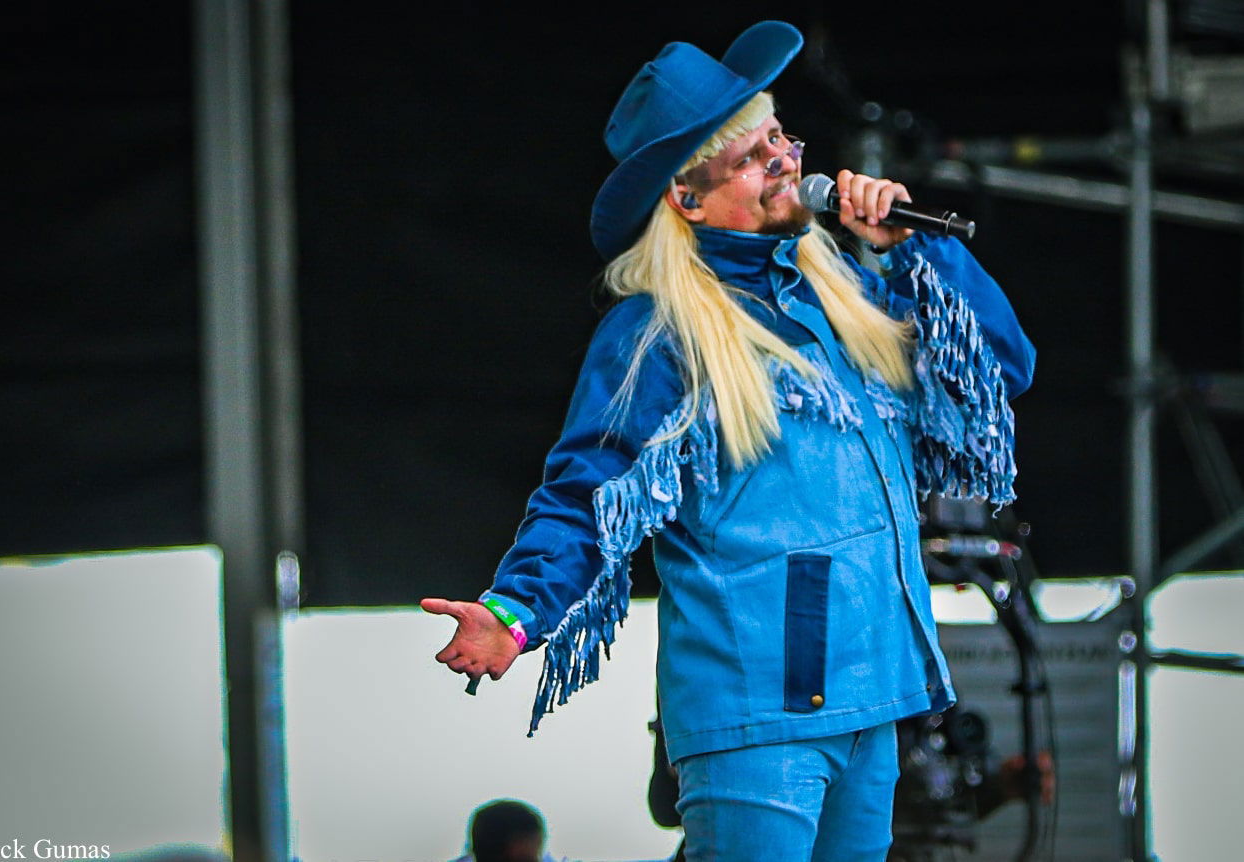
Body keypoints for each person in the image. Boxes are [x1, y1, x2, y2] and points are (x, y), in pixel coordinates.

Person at [422, 19, 1035, 861]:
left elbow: (1001, 366)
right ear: (687, 197)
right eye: (750, 154)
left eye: (779, 134)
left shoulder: (846, 291)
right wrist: (513, 609)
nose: (784, 157)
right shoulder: (657, 332)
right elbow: (586, 490)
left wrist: (908, 251)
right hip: (759, 704)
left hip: (877, 693)